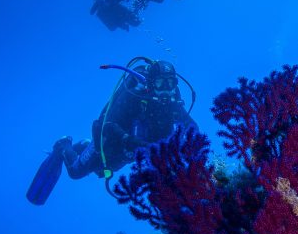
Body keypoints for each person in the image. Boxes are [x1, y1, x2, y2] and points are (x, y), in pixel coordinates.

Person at [26, 58, 197, 205]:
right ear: (151, 84)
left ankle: (84, 146)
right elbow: (108, 124)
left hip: (129, 152)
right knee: (76, 172)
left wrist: (191, 146)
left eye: (170, 83)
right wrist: (127, 139)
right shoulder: (134, 97)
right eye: (160, 83)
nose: (166, 89)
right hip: (109, 141)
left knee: (101, 170)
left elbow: (192, 126)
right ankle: (64, 145)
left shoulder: (172, 104)